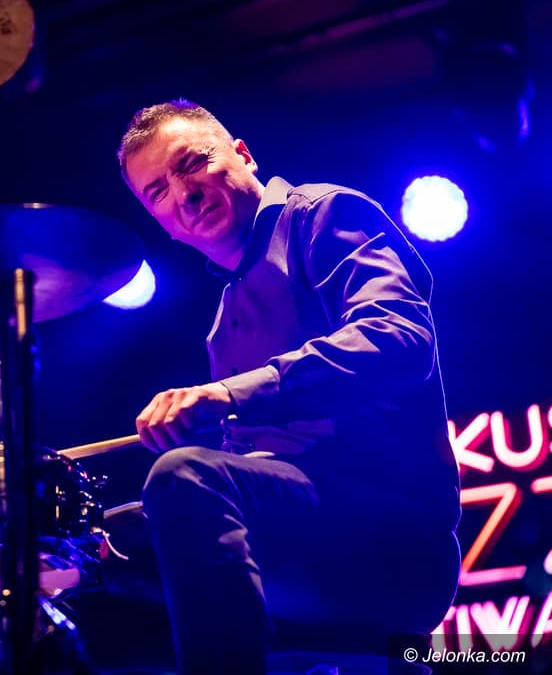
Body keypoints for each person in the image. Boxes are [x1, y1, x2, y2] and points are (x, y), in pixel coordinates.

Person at [115, 100, 461, 674]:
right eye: (158, 192)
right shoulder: (223, 322)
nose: (184, 194)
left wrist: (228, 395)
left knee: (185, 475)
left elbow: (398, 338)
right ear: (162, 224)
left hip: (395, 542)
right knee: (102, 550)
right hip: (307, 539)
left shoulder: (322, 214)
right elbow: (256, 467)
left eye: (192, 163)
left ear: (243, 155)